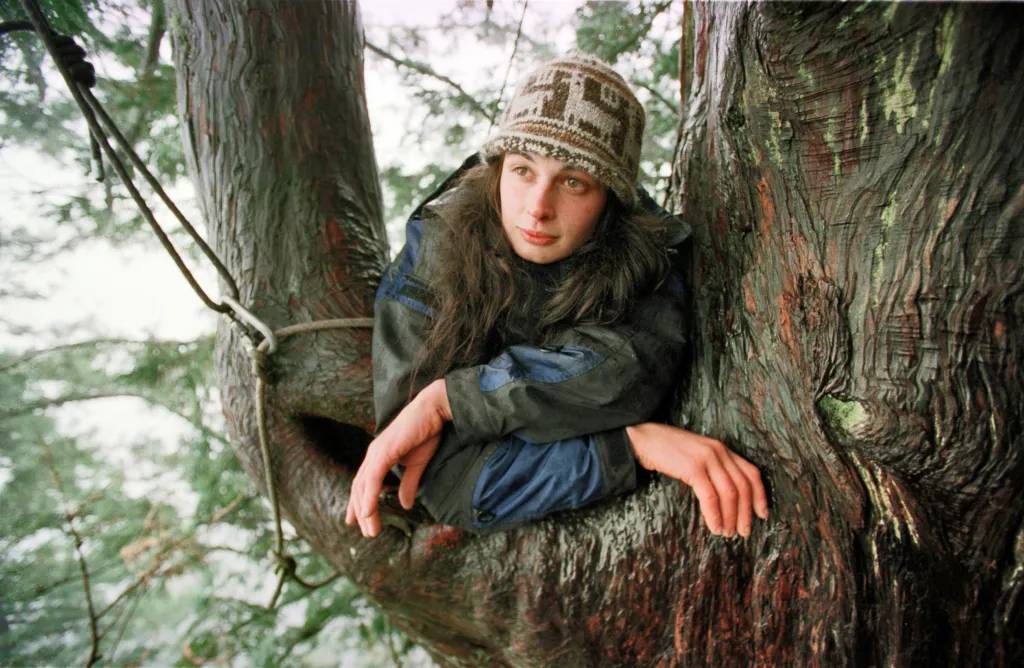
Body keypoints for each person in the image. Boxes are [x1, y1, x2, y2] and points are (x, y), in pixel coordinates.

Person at [346, 52, 768, 539]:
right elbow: (446, 480)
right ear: (498, 170)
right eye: (523, 170)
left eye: (573, 182)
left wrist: (451, 399)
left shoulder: (643, 254)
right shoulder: (438, 249)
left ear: (609, 198)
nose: (538, 208)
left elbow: (630, 367)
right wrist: (628, 446)